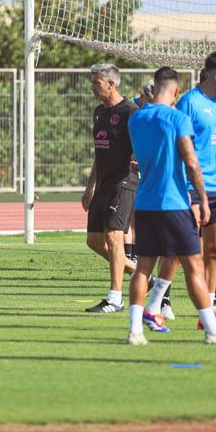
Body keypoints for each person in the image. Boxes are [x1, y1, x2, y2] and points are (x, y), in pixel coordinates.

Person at [125, 66, 216, 346]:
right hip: (174, 202)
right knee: (193, 266)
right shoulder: (177, 118)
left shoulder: (136, 119)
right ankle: (212, 331)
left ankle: (135, 331)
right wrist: (201, 198)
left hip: (145, 202)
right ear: (176, 91)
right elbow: (190, 161)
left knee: (143, 269)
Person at [82, 63, 138, 313]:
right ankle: (141, 274)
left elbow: (144, 145)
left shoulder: (131, 112)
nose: (92, 87)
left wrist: (141, 158)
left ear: (111, 84)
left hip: (124, 182)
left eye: (96, 83)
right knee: (94, 241)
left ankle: (115, 297)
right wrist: (90, 186)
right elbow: (99, 153)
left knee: (114, 235)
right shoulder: (98, 113)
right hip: (103, 184)